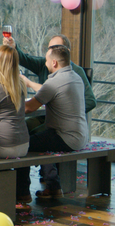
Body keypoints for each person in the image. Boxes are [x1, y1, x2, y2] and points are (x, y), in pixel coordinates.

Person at [16, 45, 89, 201]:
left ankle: (22, 193)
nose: (45, 63)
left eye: (47, 60)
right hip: (81, 135)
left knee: (21, 146)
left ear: (54, 63)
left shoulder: (54, 82)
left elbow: (29, 108)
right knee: (43, 139)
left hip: (64, 137)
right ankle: (53, 187)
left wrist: (6, 106)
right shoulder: (76, 78)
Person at [3, 33, 96, 133]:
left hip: (62, 123)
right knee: (20, 127)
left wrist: (65, 112)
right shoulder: (45, 64)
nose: (52, 52)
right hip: (42, 116)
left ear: (66, 52)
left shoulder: (75, 73)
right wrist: (13, 47)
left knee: (27, 133)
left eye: (56, 48)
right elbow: (26, 60)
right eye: (50, 48)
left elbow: (90, 101)